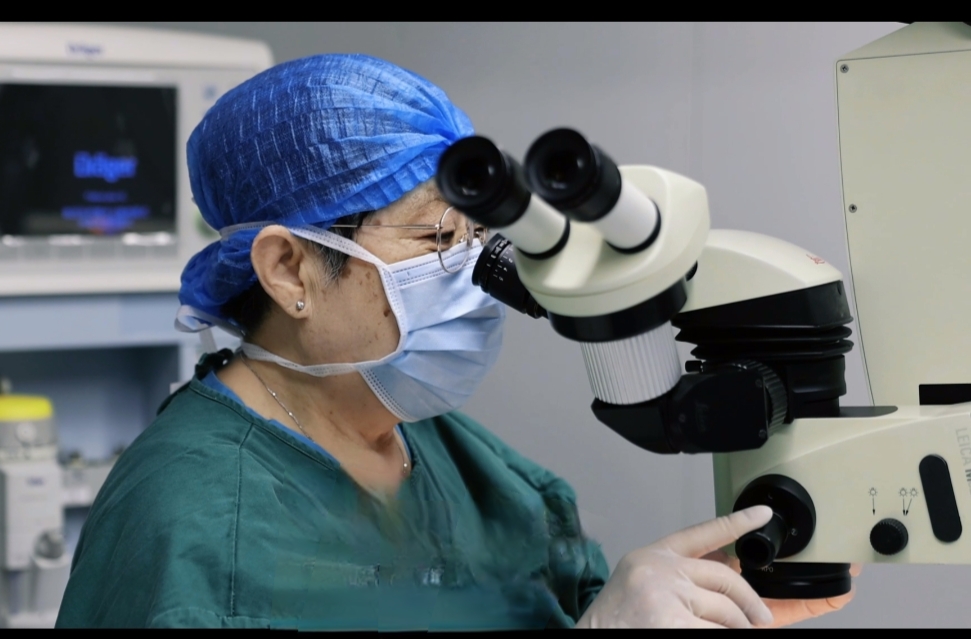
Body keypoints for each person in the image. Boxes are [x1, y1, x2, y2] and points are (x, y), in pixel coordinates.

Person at [55, 53, 856, 629]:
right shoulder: (189, 522)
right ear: (289, 269)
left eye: (477, 234)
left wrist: (683, 603)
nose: (474, 268)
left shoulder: (472, 468)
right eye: (437, 236)